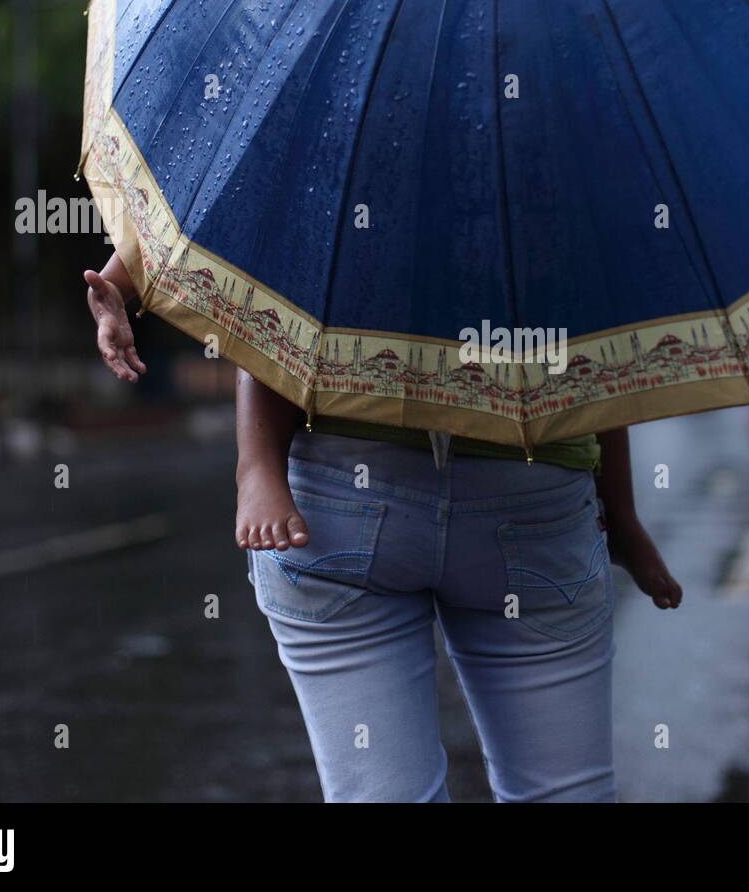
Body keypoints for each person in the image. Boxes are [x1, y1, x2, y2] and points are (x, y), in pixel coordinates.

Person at [84, 252, 682, 802]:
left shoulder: (337, 143)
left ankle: (258, 465)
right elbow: (605, 353)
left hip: (340, 497)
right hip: (531, 501)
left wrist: (120, 277)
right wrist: (621, 514)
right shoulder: (560, 153)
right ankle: (259, 468)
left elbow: (257, 256)